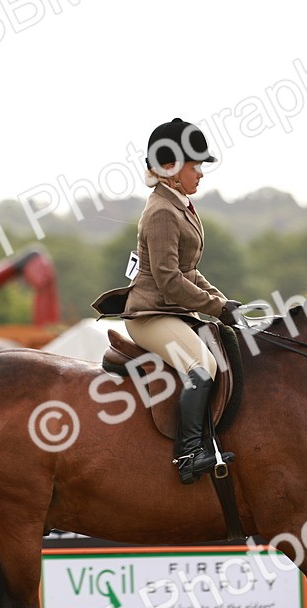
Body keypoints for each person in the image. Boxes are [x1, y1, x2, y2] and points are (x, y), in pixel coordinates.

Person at [92, 118, 241, 484]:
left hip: (171, 311)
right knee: (202, 366)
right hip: (150, 316)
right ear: (172, 169)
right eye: (195, 166)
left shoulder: (180, 206)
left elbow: (189, 270)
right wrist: (216, 308)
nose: (201, 174)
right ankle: (189, 453)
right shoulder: (161, 211)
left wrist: (224, 302)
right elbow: (170, 281)